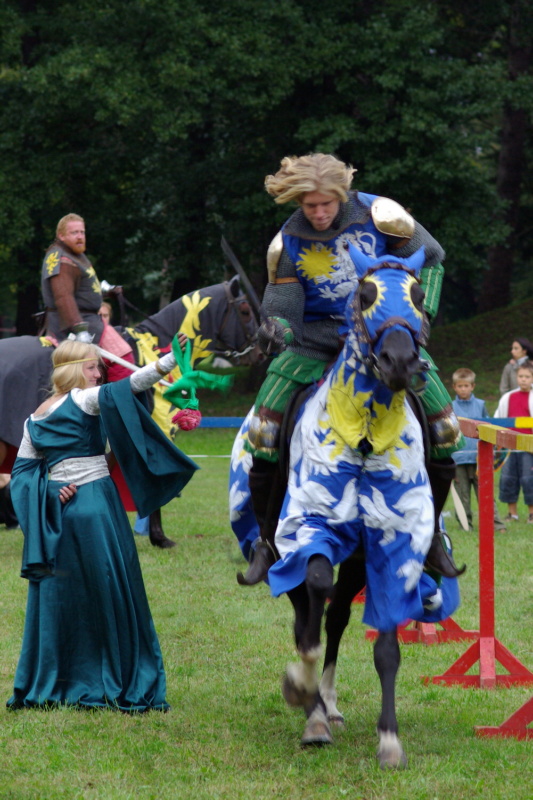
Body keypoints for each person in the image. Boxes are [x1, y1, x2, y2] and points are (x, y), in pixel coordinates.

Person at [238, 152, 463, 585]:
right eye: (310, 205)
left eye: (327, 203)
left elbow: (432, 260)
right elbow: (284, 306)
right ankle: (266, 542)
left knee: (444, 429)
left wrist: (419, 318)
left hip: (385, 340)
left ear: (342, 195)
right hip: (316, 343)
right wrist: (276, 329)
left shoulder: (382, 216)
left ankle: (433, 536)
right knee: (264, 433)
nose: (319, 213)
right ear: (299, 202)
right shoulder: (288, 241)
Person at [7, 337, 198, 711]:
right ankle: (111, 676)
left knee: (64, 596)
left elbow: (21, 476)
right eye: (93, 366)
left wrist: (50, 493)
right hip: (95, 508)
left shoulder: (34, 418)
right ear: (74, 370)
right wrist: (169, 361)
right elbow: (134, 384)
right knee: (109, 589)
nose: (99, 373)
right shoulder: (84, 399)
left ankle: (61, 679)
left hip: (59, 519)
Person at [451, 368, 506, 531]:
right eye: (460, 386)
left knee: (485, 493)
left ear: (472, 386)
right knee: (462, 495)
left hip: (479, 458)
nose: (463, 389)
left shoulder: (481, 405)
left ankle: (496, 524)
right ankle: (465, 525)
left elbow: (488, 428)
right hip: (459, 459)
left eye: (466, 386)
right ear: (454, 387)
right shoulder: (450, 407)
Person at [494, 361, 533, 523]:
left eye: (527, 376)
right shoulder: (507, 397)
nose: (523, 379)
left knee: (529, 479)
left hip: (529, 447)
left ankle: (531, 514)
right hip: (509, 446)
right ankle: (512, 513)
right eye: (521, 376)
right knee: (508, 478)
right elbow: (498, 418)